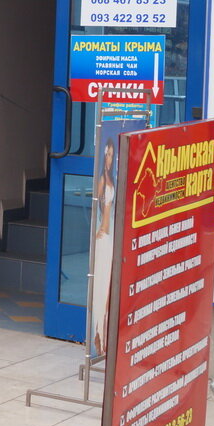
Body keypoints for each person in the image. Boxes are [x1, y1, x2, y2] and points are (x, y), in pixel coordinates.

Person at [91, 137, 116, 356]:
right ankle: (98, 338)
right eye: (106, 154)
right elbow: (97, 206)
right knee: (101, 286)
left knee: (107, 287)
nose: (109, 159)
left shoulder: (112, 179)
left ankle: (103, 336)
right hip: (102, 236)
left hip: (109, 236)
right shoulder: (102, 179)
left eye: (111, 155)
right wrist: (99, 229)